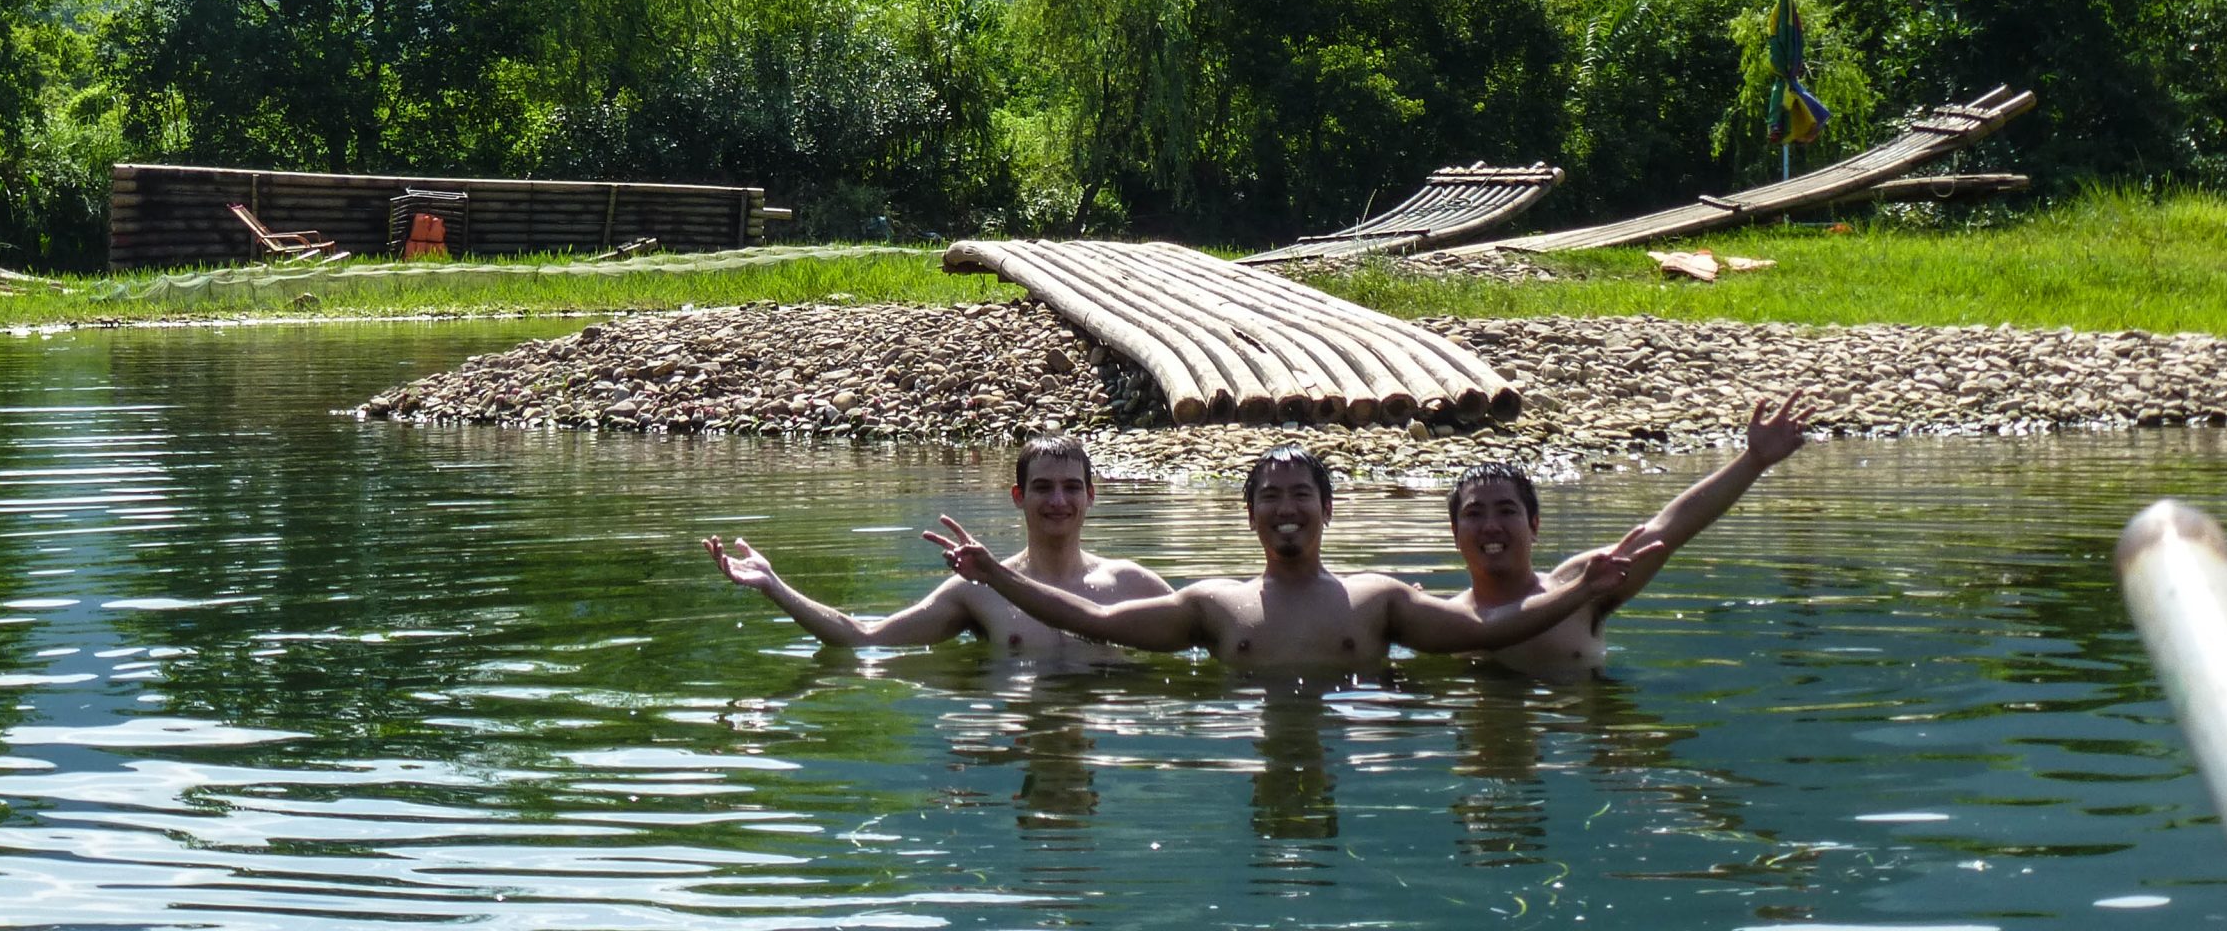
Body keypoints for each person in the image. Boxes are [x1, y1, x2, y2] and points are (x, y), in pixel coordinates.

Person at [924, 445, 1660, 670]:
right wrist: (995, 575)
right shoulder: (1210, 605)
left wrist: (1574, 595)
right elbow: (1092, 618)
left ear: (1327, 510)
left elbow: (1485, 633)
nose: (1286, 508)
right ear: (1249, 517)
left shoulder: (1379, 598)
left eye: (1301, 495)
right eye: (1270, 497)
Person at [1446, 389, 1817, 673]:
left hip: (1582, 751)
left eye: (1507, 511)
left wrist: (1752, 462)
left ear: (1534, 525)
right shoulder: (1439, 620)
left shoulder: (1582, 586)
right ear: (1454, 532)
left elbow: (1668, 529)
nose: (1491, 526)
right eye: (1475, 514)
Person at [704, 434, 1168, 656]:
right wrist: (775, 587)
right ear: (1018, 497)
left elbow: (1217, 645)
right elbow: (866, 640)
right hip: (1023, 729)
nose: (1059, 501)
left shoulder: (1131, 584)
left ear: (1092, 495)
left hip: (1104, 724)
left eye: (1071, 487)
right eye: (1043, 488)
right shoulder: (979, 592)